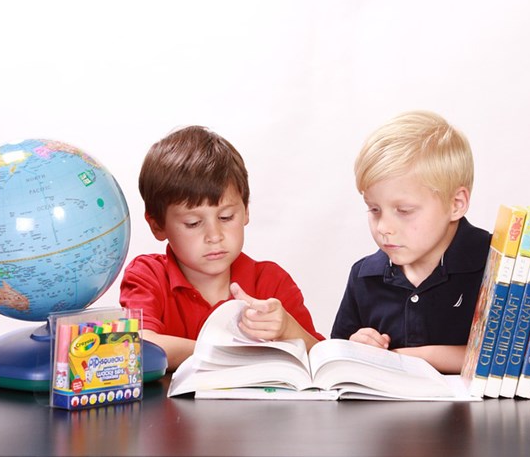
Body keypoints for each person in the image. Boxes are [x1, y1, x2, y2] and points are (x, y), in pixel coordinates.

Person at [120, 125, 323, 370]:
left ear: (246, 210)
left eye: (226, 217)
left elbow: (321, 359)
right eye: (193, 223)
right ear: (157, 225)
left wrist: (288, 329)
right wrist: (230, 352)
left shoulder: (271, 282)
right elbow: (139, 347)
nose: (214, 236)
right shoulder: (148, 276)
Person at [330, 110, 491, 374]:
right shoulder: (364, 276)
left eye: (404, 211)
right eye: (374, 209)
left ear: (456, 204)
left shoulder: (498, 264)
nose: (383, 228)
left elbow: (508, 358)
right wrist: (356, 347)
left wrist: (406, 357)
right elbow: (335, 360)